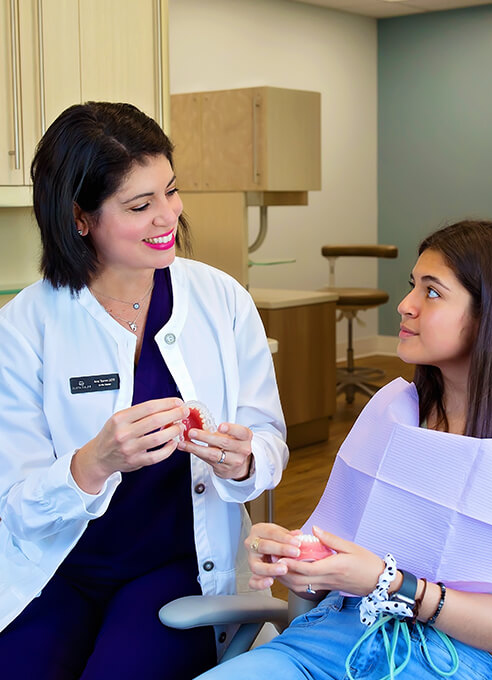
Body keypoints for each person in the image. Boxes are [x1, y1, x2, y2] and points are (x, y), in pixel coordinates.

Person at [197, 220, 492, 680]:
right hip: (325, 640)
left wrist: (390, 584)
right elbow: (333, 561)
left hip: (442, 662)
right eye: (411, 286)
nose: (405, 305)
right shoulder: (397, 410)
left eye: (433, 292)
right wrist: (293, 557)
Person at [0, 102, 288, 679]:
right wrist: (92, 463)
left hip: (175, 567)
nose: (169, 217)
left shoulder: (222, 300)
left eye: (171, 191)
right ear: (80, 218)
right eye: (141, 205)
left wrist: (243, 458)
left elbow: (270, 444)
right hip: (58, 567)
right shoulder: (24, 327)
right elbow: (17, 506)